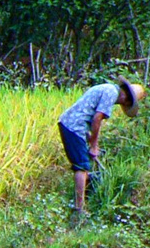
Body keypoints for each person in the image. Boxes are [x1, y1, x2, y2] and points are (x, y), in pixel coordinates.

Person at [58, 78, 144, 218]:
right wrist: (94, 145)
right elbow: (97, 119)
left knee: (85, 165)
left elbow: (88, 112)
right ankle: (79, 209)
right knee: (82, 166)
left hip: (73, 124)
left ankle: (83, 200)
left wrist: (91, 139)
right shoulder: (111, 93)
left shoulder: (107, 89)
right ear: (126, 99)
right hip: (74, 126)